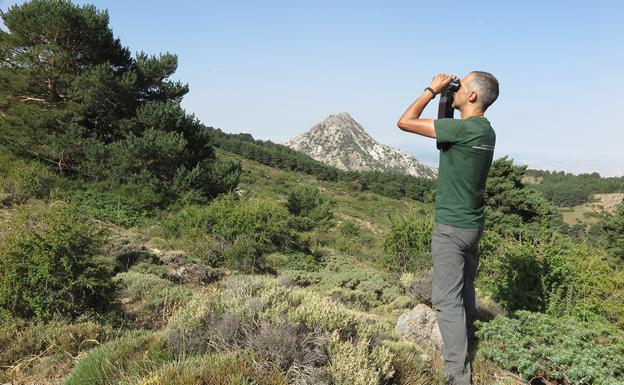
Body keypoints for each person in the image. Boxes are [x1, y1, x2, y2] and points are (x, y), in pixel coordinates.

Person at [396, 71, 499, 385]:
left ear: (471, 97)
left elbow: (405, 121)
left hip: (451, 228)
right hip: (472, 226)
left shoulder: (462, 130)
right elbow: (446, 136)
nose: (456, 89)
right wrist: (448, 98)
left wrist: (432, 89)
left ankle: (458, 376)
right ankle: (467, 335)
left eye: (461, 87)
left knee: (445, 300)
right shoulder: (484, 131)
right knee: (465, 287)